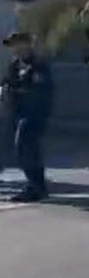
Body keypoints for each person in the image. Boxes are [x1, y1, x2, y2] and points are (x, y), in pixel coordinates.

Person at [0, 32, 53, 201]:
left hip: (34, 113)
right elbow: (7, 83)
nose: (14, 49)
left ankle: (35, 186)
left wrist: (16, 91)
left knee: (26, 147)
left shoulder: (37, 65)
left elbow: (40, 92)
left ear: (27, 44)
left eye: (17, 44)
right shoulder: (15, 64)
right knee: (24, 149)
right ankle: (37, 185)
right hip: (18, 113)